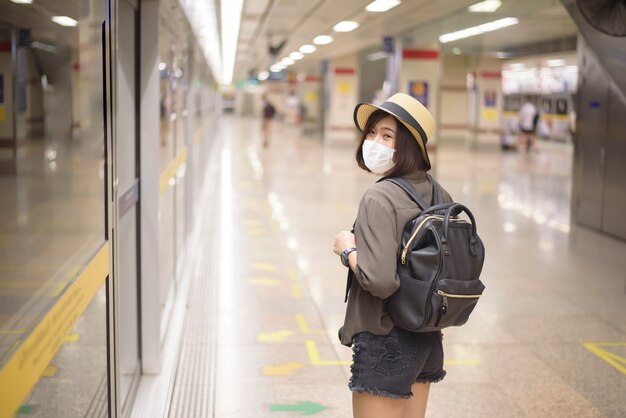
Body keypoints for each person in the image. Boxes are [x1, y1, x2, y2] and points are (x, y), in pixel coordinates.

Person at [333, 93, 453, 418]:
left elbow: (380, 281)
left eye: (387, 136)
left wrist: (348, 250)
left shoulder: (379, 197)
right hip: (427, 339)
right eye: (371, 133)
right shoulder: (440, 193)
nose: (373, 142)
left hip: (386, 339)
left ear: (410, 147)